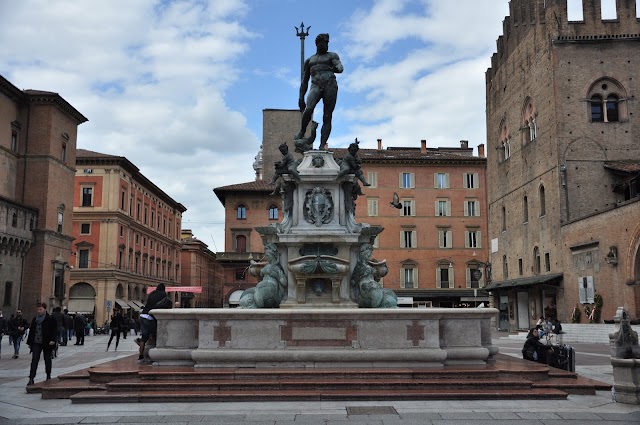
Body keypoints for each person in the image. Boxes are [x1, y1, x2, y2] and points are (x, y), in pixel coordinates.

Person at [295, 33, 344, 150]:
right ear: (318, 44)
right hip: (315, 85)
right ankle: (302, 131)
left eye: (327, 43)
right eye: (324, 43)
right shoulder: (309, 61)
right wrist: (301, 97)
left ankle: (322, 145)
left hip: (330, 85)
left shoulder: (332, 56)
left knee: (327, 116)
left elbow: (339, 65)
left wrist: (339, 68)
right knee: (308, 109)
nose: (326, 45)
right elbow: (304, 81)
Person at [135, 284, 172, 362]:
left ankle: (141, 356)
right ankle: (157, 352)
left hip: (142, 315)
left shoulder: (152, 293)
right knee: (155, 333)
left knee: (144, 338)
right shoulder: (163, 294)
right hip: (149, 317)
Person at [26, 302, 57, 385]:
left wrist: (53, 340)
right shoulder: (35, 319)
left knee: (47, 359)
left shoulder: (50, 318)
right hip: (36, 342)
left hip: (47, 342)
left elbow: (54, 330)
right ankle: (31, 378)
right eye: (38, 309)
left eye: (41, 309)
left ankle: (48, 375)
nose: (39, 311)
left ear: (45, 309)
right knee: (34, 360)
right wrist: (30, 342)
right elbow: (32, 331)